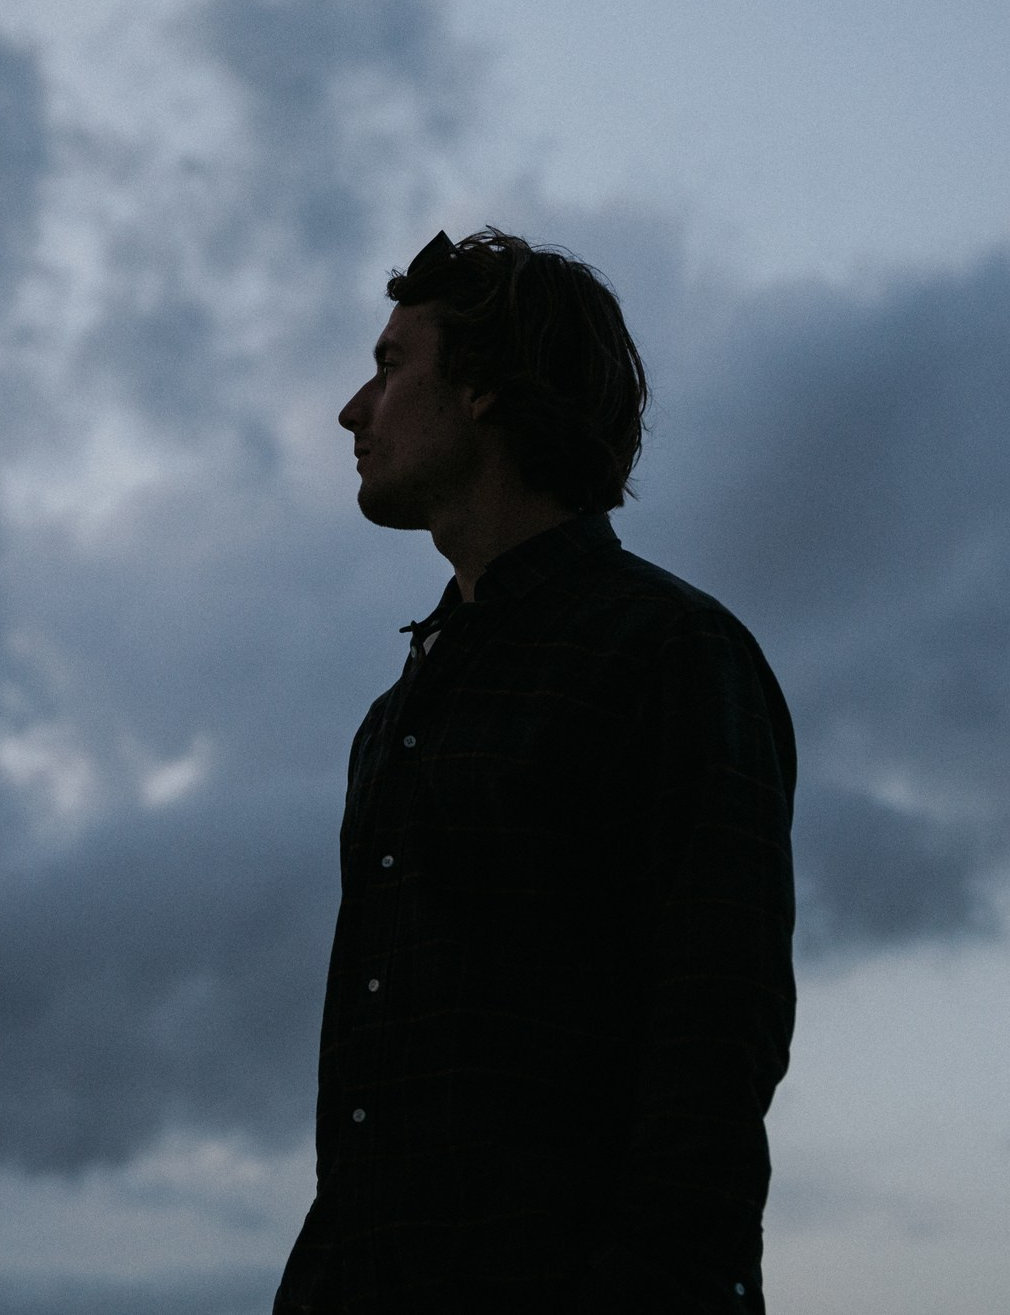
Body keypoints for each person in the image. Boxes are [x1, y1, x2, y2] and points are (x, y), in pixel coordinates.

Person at [276, 229, 797, 1313]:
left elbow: (715, 1030)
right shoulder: (398, 714)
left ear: (478, 389)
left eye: (387, 366)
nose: (351, 410)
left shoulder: (664, 652)